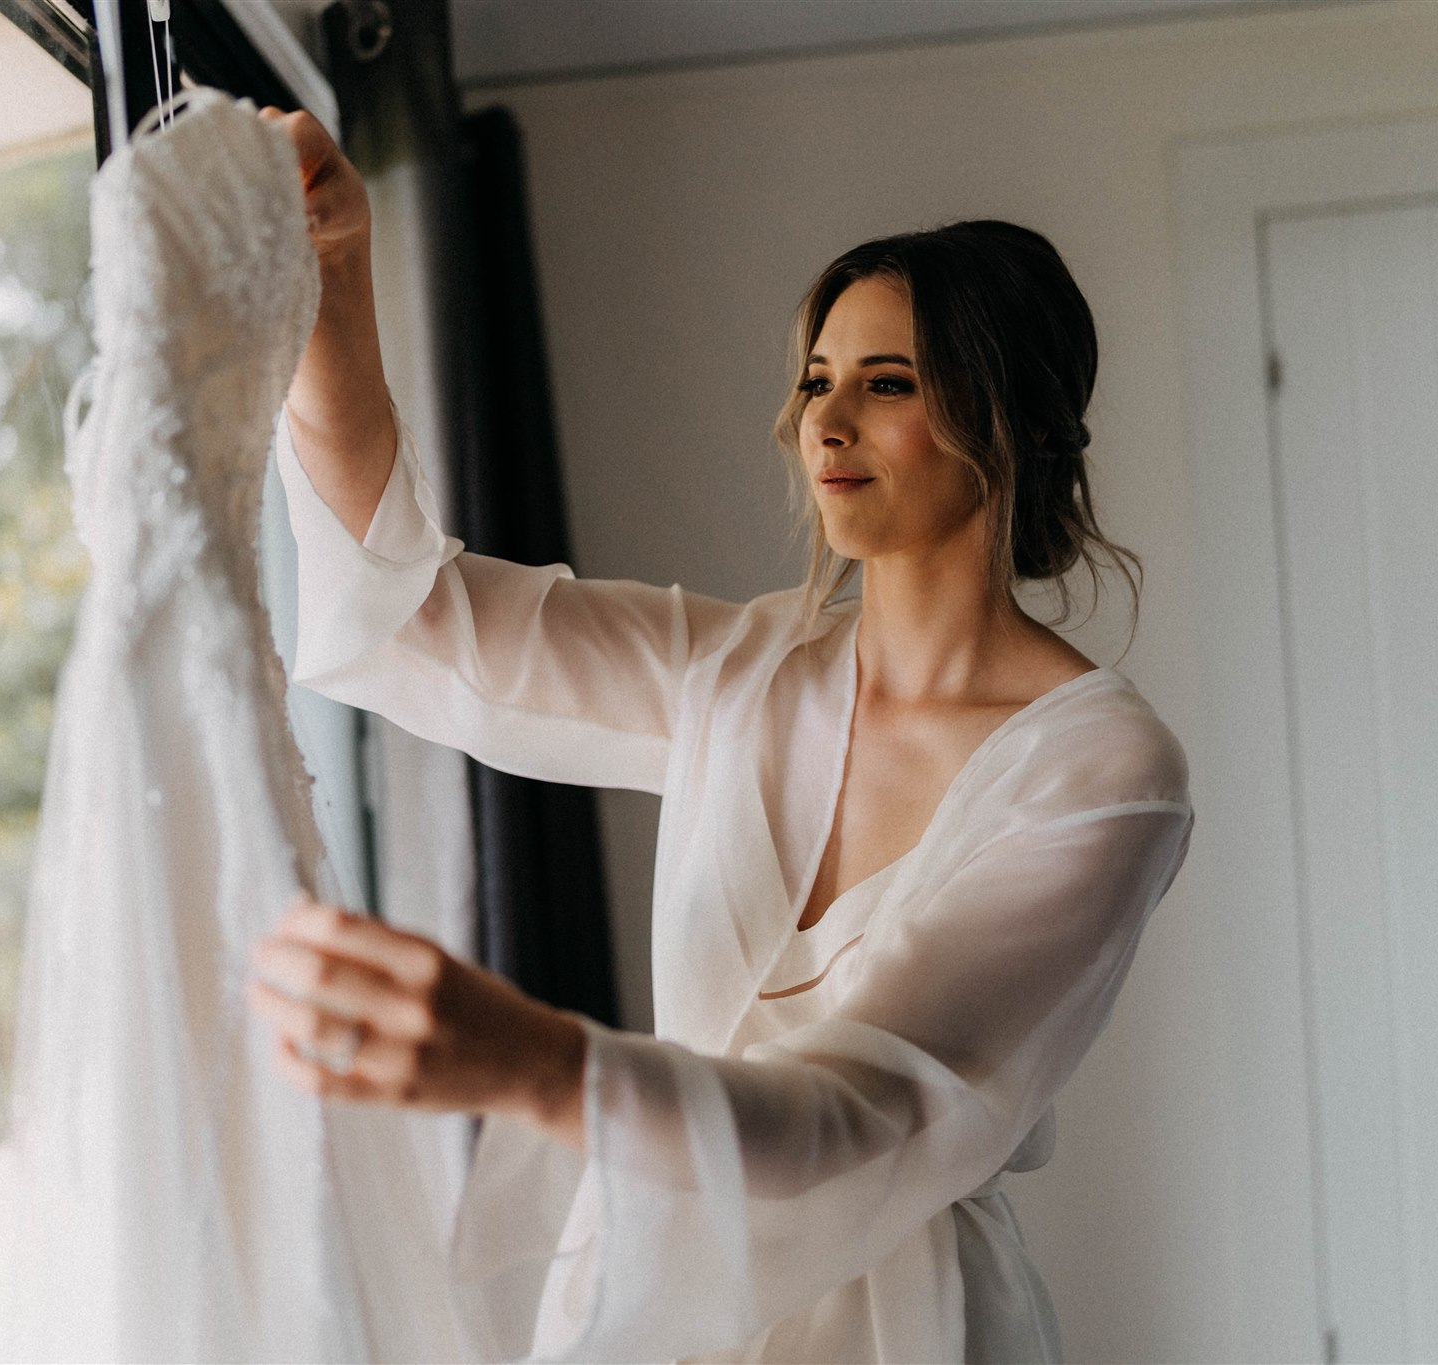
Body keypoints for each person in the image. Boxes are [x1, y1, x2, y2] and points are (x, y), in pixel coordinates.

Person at [246, 108, 1193, 1364]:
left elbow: (858, 1111)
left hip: (896, 1325)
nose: (826, 421)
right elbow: (417, 623)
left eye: (887, 383)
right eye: (815, 380)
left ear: (1008, 417)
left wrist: (530, 1062)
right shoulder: (736, 673)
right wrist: (337, 281)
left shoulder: (1105, 776)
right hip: (646, 1304)